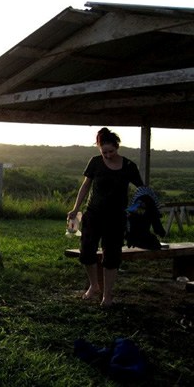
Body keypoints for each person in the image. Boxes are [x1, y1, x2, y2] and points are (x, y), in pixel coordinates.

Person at [68, 127, 144, 307]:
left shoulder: (128, 166)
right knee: (87, 252)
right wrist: (75, 208)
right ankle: (94, 286)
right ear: (99, 148)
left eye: (111, 151)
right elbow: (85, 187)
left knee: (111, 255)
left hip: (116, 217)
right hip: (93, 214)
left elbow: (141, 188)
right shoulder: (95, 162)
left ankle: (107, 295)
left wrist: (140, 206)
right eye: (104, 152)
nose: (108, 155)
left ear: (117, 147)